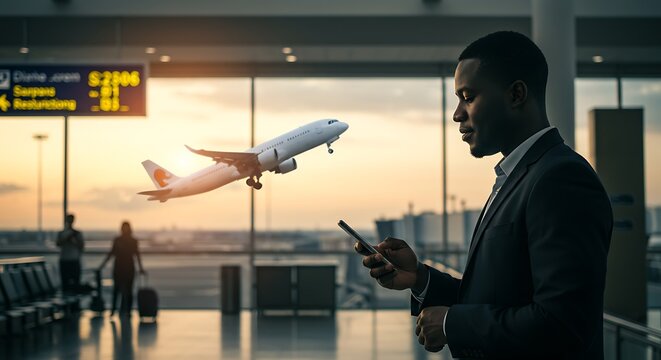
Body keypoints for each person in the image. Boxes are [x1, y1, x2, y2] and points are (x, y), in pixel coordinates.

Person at [356, 31, 613, 359]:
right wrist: (419, 278)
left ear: (516, 94)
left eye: (468, 96)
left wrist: (451, 323)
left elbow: (562, 325)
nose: (457, 114)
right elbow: (500, 296)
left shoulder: (560, 179)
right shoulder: (521, 176)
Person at [99, 221, 146, 316]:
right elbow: (136, 255)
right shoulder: (131, 240)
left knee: (122, 290)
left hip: (122, 267)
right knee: (122, 290)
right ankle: (123, 311)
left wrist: (102, 265)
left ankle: (118, 311)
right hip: (125, 267)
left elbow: (112, 253)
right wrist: (140, 268)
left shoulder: (120, 240)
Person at [56, 213, 85, 293]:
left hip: (71, 260)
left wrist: (73, 241)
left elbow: (81, 246)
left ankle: (73, 304)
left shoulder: (76, 233)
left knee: (74, 284)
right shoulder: (62, 233)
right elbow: (58, 243)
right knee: (66, 284)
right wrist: (67, 239)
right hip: (68, 260)